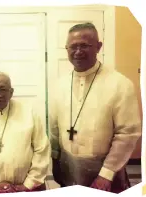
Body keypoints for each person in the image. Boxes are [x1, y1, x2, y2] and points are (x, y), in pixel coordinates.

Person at [49, 23, 141, 193]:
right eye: (73, 46)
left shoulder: (120, 84)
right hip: (68, 167)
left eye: (84, 45)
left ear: (98, 47)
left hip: (106, 171)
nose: (78, 51)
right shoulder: (59, 85)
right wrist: (56, 162)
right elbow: (54, 128)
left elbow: (127, 134)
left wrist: (106, 174)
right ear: (66, 49)